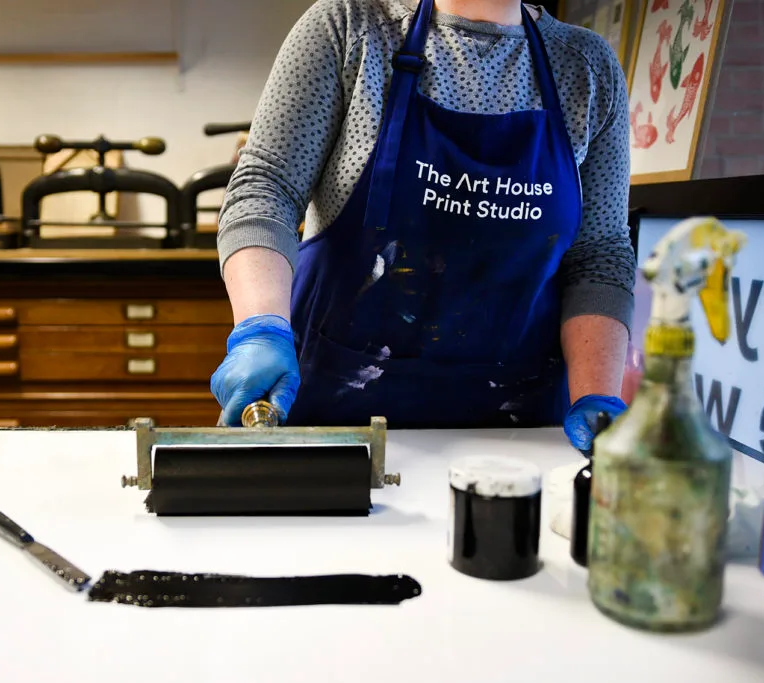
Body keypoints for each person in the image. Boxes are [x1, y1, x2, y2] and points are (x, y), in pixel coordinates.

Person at [210, 0, 635, 453]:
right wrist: (261, 328)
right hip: (334, 426)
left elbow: (600, 254)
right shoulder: (352, 29)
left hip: (518, 437)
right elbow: (266, 188)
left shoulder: (587, 66)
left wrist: (597, 393)